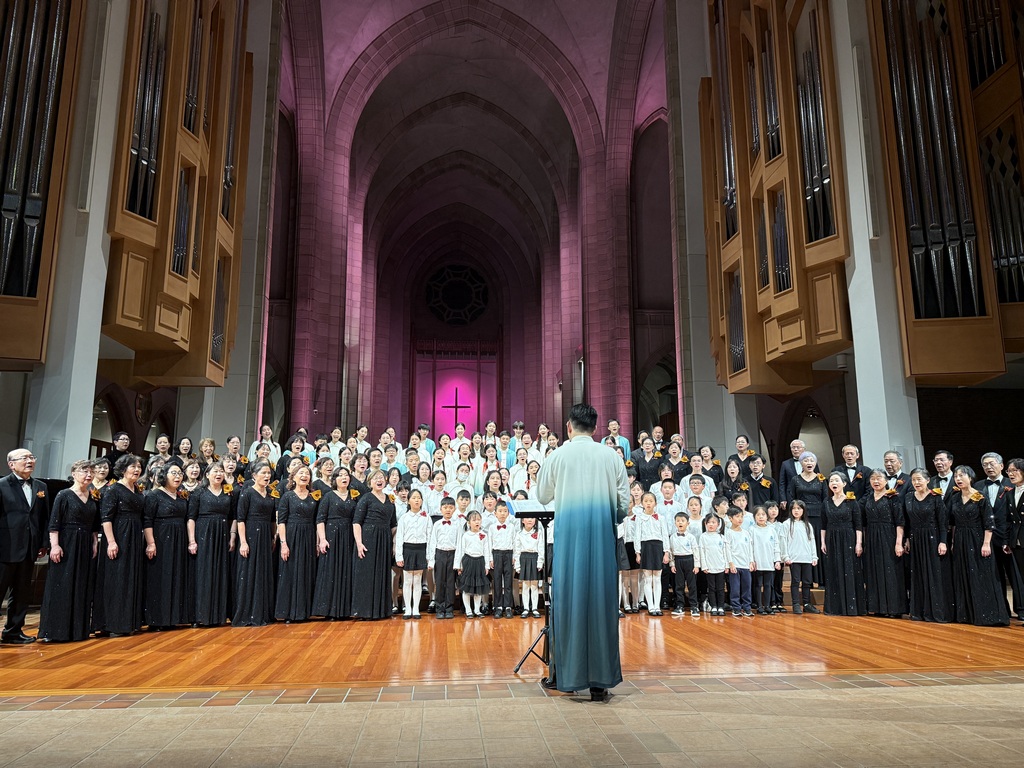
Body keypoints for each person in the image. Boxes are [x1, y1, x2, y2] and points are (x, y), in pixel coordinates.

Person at [537, 403, 630, 702]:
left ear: (568, 426)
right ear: (595, 427)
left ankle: (568, 677)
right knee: (602, 604)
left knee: (569, 601)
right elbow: (624, 504)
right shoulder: (610, 456)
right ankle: (600, 682)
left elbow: (542, 495)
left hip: (569, 540)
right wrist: (610, 517)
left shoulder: (558, 455)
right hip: (602, 537)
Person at [38, 460, 99, 643]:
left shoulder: (93, 496)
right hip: (67, 542)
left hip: (85, 543)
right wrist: (54, 546)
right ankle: (55, 630)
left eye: (91, 472)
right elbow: (54, 523)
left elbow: (95, 525)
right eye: (84, 471)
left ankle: (77, 630)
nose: (88, 474)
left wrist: (95, 544)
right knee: (61, 584)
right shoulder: (64, 495)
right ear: (74, 473)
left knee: (81, 584)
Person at [948, 465, 1010, 626]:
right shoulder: (954, 498)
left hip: (977, 539)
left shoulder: (979, 496)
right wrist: (953, 541)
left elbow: (989, 522)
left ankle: (987, 614)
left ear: (971, 478)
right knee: (963, 574)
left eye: (962, 475)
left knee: (981, 574)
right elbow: (952, 523)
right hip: (961, 538)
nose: (958, 479)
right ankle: (966, 614)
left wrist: (986, 544)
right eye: (956, 476)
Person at [0, 449, 50, 644]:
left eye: (32, 458)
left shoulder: (41, 486)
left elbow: (43, 518)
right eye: (24, 458)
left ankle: (13, 631)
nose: (29, 461)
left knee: (21, 593)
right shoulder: (2, 485)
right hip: (5, 547)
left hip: (29, 548)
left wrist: (43, 543)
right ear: (11, 464)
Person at [93, 454, 145, 637]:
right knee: (117, 578)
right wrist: (112, 542)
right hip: (119, 535)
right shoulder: (113, 489)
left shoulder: (137, 490)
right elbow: (106, 518)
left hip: (134, 536)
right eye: (133, 467)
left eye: (139, 467)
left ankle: (128, 621)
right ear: (123, 469)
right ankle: (112, 623)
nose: (137, 470)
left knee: (131, 577)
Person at [143, 464, 194, 630]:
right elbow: (147, 520)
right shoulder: (154, 495)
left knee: (176, 576)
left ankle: (174, 617)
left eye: (180, 473)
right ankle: (157, 619)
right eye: (174, 473)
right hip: (161, 539)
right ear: (164, 475)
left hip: (178, 540)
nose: (178, 476)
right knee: (160, 578)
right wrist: (151, 543)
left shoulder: (181, 497)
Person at [187, 462, 237, 627]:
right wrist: (192, 540)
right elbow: (191, 518)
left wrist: (232, 536)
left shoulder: (228, 493)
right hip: (204, 533)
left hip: (222, 534)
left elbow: (234, 517)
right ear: (207, 474)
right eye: (215, 471)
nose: (219, 474)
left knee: (220, 573)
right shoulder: (198, 493)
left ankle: (218, 616)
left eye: (221, 471)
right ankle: (200, 616)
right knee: (203, 573)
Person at [904, 469, 952, 623]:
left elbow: (942, 522)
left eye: (919, 479)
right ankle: (919, 611)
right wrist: (907, 539)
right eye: (913, 480)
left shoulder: (935, 497)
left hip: (933, 538)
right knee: (918, 573)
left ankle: (937, 612)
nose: (916, 483)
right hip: (915, 539)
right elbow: (907, 522)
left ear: (927, 480)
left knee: (934, 574)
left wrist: (943, 541)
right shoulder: (908, 497)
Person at [233, 461, 277, 627]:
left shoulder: (271, 494)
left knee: (264, 572)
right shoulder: (247, 493)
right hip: (250, 533)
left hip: (266, 535)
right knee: (250, 572)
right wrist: (243, 542)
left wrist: (273, 537)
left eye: (268, 473)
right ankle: (248, 614)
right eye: (263, 473)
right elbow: (241, 519)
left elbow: (273, 519)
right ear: (254, 475)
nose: (267, 476)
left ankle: (263, 613)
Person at [275, 465, 319, 622]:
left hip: (308, 536)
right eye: (301, 473)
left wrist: (317, 542)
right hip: (292, 536)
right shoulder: (287, 496)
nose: (304, 476)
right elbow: (282, 521)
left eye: (307, 473)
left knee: (306, 572)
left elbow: (317, 521)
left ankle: (304, 612)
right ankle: (289, 613)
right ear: (293, 477)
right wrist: (284, 543)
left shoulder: (314, 496)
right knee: (290, 572)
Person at [312, 467, 358, 620]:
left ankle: (345, 609)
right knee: (331, 570)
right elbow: (320, 519)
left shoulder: (354, 496)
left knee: (347, 571)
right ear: (335, 479)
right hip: (332, 536)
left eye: (346, 475)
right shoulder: (328, 496)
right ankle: (330, 610)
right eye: (340, 475)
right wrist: (322, 539)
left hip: (349, 536)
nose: (344, 478)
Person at [351, 470, 398, 620]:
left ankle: (382, 610)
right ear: (369, 481)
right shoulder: (366, 498)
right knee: (366, 573)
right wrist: (359, 543)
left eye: (381, 478)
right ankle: (365, 611)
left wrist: (394, 544)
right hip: (368, 538)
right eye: (375, 478)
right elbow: (356, 522)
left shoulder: (390, 500)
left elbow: (393, 525)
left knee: (382, 573)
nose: (379, 480)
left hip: (384, 539)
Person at [860, 470, 906, 618]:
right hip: (872, 536)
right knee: (874, 570)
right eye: (873, 478)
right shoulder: (867, 498)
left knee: (890, 570)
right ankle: (877, 606)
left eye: (879, 478)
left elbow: (900, 522)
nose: (876, 481)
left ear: (886, 481)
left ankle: (893, 608)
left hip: (889, 536)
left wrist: (899, 543)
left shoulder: (892, 497)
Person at [820, 473, 865, 616]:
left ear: (844, 484)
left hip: (848, 538)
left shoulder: (852, 501)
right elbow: (823, 525)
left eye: (836, 480)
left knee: (850, 570)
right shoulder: (826, 502)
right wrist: (822, 542)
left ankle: (852, 607)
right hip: (831, 538)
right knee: (833, 570)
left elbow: (858, 525)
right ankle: (835, 607)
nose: (833, 482)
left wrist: (859, 543)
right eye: (831, 480)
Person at [789, 452, 827, 585]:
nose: (809, 463)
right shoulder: (795, 479)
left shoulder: (821, 479)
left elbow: (826, 499)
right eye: (806, 460)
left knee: (817, 545)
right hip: (802, 517)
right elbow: (792, 499)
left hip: (818, 516)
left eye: (812, 460)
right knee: (804, 545)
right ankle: (807, 580)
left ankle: (821, 579)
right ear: (801, 463)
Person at [633, 492, 670, 616]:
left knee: (657, 578)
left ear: (655, 503)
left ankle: (657, 606)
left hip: (658, 547)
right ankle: (651, 607)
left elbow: (665, 535)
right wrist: (637, 552)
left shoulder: (661, 517)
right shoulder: (639, 518)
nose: (648, 503)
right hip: (646, 547)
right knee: (648, 578)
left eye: (651, 501)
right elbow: (637, 536)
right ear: (642, 503)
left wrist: (666, 552)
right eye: (646, 501)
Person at [395, 489, 430, 620]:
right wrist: (399, 556)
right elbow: (399, 538)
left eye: (418, 497)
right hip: (408, 549)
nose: (416, 500)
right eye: (414, 497)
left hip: (421, 549)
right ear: (409, 501)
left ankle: (416, 608)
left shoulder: (426, 517)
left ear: (421, 501)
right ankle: (407, 608)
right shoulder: (404, 518)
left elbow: (430, 537)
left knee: (417, 581)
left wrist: (429, 557)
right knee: (408, 581)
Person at [782, 500, 819, 614]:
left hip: (806, 557)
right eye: (794, 508)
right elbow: (783, 541)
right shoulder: (787, 524)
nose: (796, 511)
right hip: (794, 558)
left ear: (803, 510)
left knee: (807, 582)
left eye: (799, 508)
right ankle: (796, 604)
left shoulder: (808, 525)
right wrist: (786, 556)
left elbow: (812, 541)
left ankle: (807, 604)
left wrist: (814, 556)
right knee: (795, 581)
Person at [428, 497, 460, 619]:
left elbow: (459, 544)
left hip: (452, 554)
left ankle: (449, 607)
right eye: (445, 508)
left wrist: (457, 562)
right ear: (440, 509)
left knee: (451, 583)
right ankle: (440, 607)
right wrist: (431, 560)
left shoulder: (457, 525)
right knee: (440, 581)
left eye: (451, 508)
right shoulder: (436, 524)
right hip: (440, 554)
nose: (448, 510)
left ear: (454, 509)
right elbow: (432, 542)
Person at [750, 506, 781, 615]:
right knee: (758, 585)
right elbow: (750, 546)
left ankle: (767, 605)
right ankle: (759, 606)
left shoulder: (772, 530)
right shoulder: (752, 529)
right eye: (758, 515)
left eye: (763, 515)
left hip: (769, 561)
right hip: (757, 561)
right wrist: (751, 560)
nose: (761, 517)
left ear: (766, 516)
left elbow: (776, 546)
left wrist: (777, 560)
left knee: (768, 585)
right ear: (754, 517)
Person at [488, 500, 516, 618]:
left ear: (508, 513)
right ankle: (498, 607)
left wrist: (514, 557)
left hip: (509, 554)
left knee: (508, 581)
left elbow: (515, 542)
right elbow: (489, 543)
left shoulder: (512, 527)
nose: (503, 513)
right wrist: (490, 558)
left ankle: (508, 607)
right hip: (496, 554)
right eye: (500, 511)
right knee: (497, 581)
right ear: (495, 513)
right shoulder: (492, 527)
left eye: (505, 511)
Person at [669, 513, 700, 617]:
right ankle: (680, 605)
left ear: (688, 523)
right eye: (678, 521)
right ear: (675, 523)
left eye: (682, 520)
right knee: (679, 585)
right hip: (678, 560)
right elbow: (671, 552)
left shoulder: (691, 537)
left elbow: (696, 551)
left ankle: (694, 606)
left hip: (689, 560)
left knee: (692, 585)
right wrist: (672, 564)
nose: (680, 522)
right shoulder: (672, 537)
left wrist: (696, 565)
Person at [698, 514, 729, 616]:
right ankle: (713, 606)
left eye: (713, 522)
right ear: (705, 524)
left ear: (718, 524)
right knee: (711, 588)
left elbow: (725, 552)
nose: (711, 525)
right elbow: (702, 552)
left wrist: (726, 565)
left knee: (720, 588)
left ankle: (720, 607)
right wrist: (704, 566)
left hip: (720, 567)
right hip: (709, 567)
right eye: (709, 522)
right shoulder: (703, 537)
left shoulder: (721, 537)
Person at [725, 507, 754, 617]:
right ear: (730, 518)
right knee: (735, 588)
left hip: (745, 565)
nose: (740, 519)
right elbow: (727, 549)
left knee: (747, 587)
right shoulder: (729, 533)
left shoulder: (746, 533)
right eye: (737, 516)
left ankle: (747, 607)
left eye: (741, 516)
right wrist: (731, 563)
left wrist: (751, 561)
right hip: (735, 565)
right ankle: (736, 607)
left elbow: (750, 548)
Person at [514, 516, 545, 617]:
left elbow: (541, 548)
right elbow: (517, 550)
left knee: (534, 585)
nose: (530, 520)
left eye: (532, 518)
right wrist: (517, 566)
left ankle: (535, 608)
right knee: (525, 585)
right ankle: (526, 608)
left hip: (535, 558)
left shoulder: (539, 532)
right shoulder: (519, 534)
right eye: (527, 518)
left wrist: (540, 562)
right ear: (522, 521)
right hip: (524, 558)